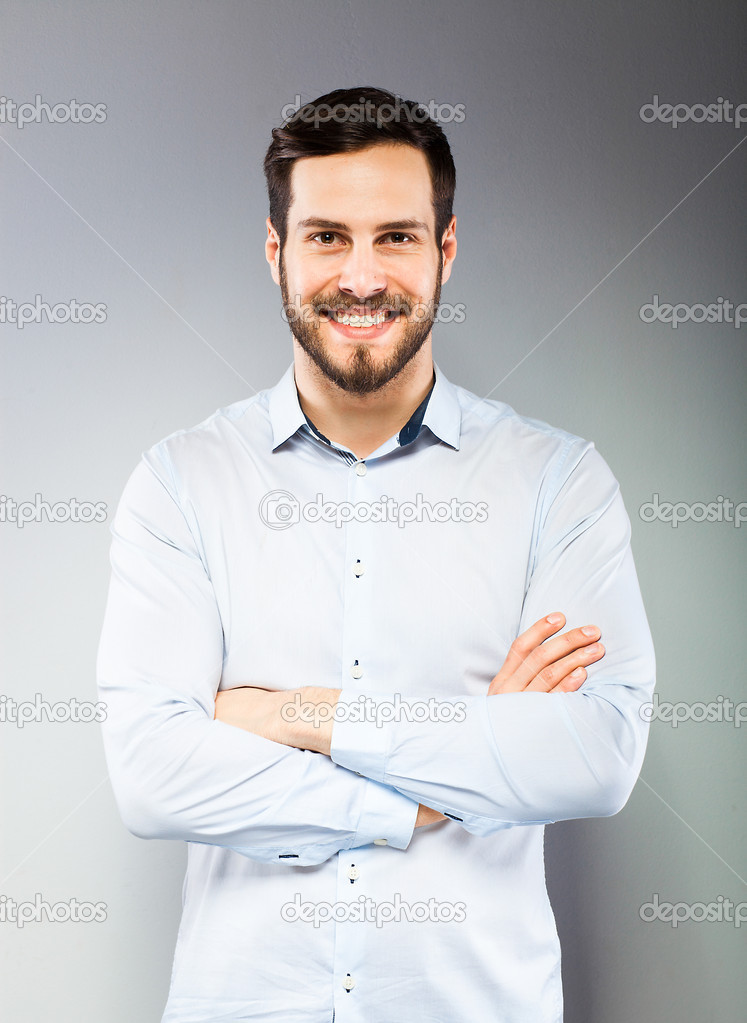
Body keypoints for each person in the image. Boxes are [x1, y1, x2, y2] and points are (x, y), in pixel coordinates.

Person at [97, 86, 655, 1022]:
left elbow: (595, 756)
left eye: (395, 236)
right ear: (276, 252)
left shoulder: (560, 481)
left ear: (443, 250)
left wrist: (298, 711)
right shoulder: (181, 482)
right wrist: (447, 781)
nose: (361, 276)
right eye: (326, 237)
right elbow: (151, 775)